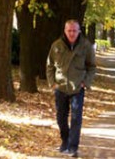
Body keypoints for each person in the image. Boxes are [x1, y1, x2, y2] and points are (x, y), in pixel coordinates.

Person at [46, 19, 96, 157]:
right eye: (69, 30)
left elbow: (92, 67)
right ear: (65, 31)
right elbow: (49, 66)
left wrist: (85, 82)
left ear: (79, 31)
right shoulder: (56, 45)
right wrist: (52, 83)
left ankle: (73, 147)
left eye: (74, 30)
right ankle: (65, 141)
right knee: (61, 117)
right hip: (60, 87)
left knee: (76, 117)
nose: (72, 33)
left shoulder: (85, 46)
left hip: (77, 88)